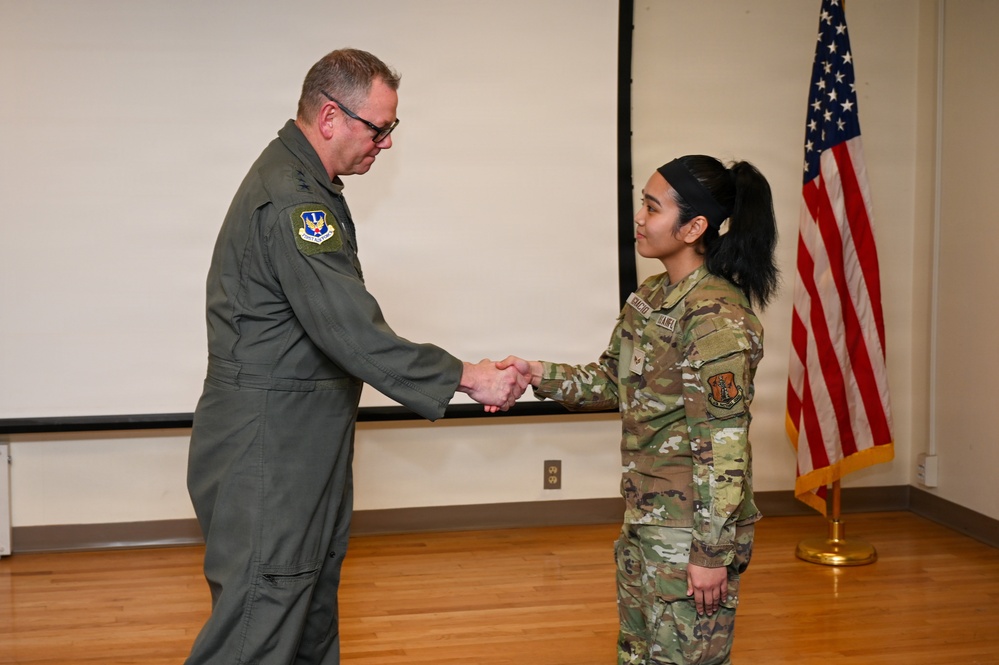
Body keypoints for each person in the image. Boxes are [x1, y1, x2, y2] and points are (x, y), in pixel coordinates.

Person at [185, 48, 527, 664]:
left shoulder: (307, 183)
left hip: (300, 439)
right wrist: (467, 376)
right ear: (331, 118)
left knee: (306, 615)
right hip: (271, 447)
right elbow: (351, 331)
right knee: (257, 628)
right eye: (380, 127)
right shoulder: (296, 203)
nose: (387, 143)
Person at [500, 155, 779, 664]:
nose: (640, 219)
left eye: (652, 208)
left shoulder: (717, 319)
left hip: (689, 535)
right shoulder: (650, 297)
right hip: (646, 521)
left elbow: (724, 448)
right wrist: (537, 373)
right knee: (637, 654)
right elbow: (613, 382)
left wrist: (711, 555)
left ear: (694, 226)